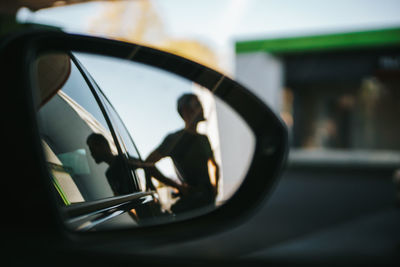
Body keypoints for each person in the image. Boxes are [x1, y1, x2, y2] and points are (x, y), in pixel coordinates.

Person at [145, 93, 220, 214]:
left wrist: (214, 190)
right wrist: (178, 186)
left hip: (209, 201)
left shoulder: (204, 138)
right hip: (191, 205)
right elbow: (148, 163)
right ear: (185, 110)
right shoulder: (175, 139)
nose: (202, 108)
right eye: (197, 104)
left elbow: (214, 165)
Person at [86, 133, 184, 196]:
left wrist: (177, 186)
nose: (91, 154)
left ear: (103, 145)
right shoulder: (109, 174)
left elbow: (148, 166)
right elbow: (118, 196)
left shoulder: (123, 160)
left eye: (92, 149)